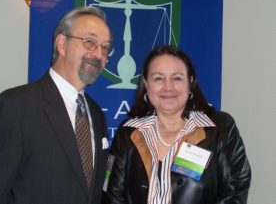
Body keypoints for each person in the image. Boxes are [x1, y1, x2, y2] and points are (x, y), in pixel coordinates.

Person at [0, 6, 111, 204]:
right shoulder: (14, 107)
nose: (99, 54)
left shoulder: (97, 114)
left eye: (105, 47)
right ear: (62, 44)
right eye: (90, 42)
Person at [103, 45, 251, 204]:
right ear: (146, 84)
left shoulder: (221, 128)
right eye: (158, 78)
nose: (168, 87)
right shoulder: (128, 132)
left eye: (177, 78)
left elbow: (235, 189)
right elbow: (113, 196)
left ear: (190, 82)